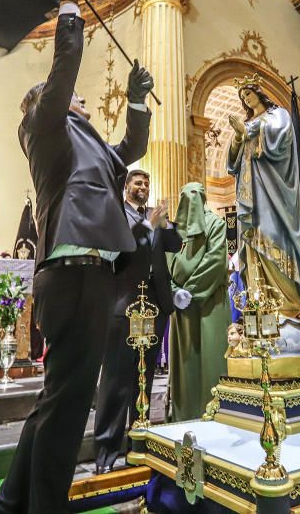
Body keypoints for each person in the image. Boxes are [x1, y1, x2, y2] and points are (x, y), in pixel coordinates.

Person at [0, 0, 154, 514]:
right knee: (68, 403)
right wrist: (68, 6)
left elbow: (132, 145)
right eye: (73, 99)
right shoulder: (45, 129)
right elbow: (64, 75)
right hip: (71, 275)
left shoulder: (93, 147)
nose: (82, 100)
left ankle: (16, 500)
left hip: (91, 276)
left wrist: (137, 100)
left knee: (57, 399)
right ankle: (47, 505)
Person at [94, 170, 181, 474]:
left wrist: (165, 224)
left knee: (143, 379)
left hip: (154, 307)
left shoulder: (154, 217)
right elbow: (111, 252)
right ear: (127, 187)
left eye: (146, 182)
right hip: (124, 306)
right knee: (116, 381)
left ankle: (138, 446)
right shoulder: (117, 215)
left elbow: (175, 244)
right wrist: (149, 225)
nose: (143, 186)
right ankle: (105, 455)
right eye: (138, 182)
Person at [226, 77, 300, 325]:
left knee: (274, 236)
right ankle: (260, 303)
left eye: (249, 94)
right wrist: (239, 138)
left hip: (272, 191)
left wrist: (250, 131)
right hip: (249, 191)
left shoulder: (279, 115)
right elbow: (233, 163)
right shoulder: (248, 122)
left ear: (258, 94)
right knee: (253, 244)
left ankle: (288, 305)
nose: (246, 99)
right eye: (243, 97)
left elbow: (281, 138)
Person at [167, 182, 230, 421]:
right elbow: (163, 266)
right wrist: (174, 292)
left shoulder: (215, 224)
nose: (191, 200)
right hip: (181, 308)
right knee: (186, 366)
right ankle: (184, 416)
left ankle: (216, 417)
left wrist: (190, 291)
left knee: (211, 360)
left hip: (209, 302)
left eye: (196, 195)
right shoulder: (172, 232)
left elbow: (216, 260)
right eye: (186, 195)